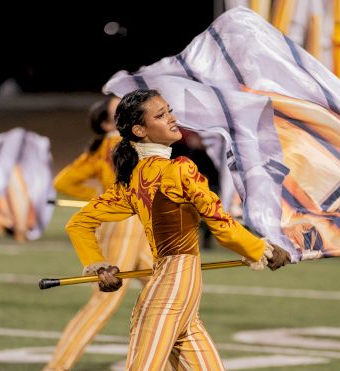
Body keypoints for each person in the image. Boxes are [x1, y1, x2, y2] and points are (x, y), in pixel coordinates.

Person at [65, 89, 290, 370]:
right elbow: (222, 225)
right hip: (166, 302)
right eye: (161, 115)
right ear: (140, 130)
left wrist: (96, 265)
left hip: (181, 307)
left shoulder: (132, 179)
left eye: (169, 110)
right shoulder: (179, 170)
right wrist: (262, 250)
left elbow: (78, 224)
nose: (172, 119)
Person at [44, 95, 152, 371]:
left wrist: (97, 194)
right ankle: (57, 367)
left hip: (138, 226)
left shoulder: (108, 145)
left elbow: (63, 181)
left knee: (167, 296)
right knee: (104, 301)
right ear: (107, 123)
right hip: (123, 224)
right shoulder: (122, 144)